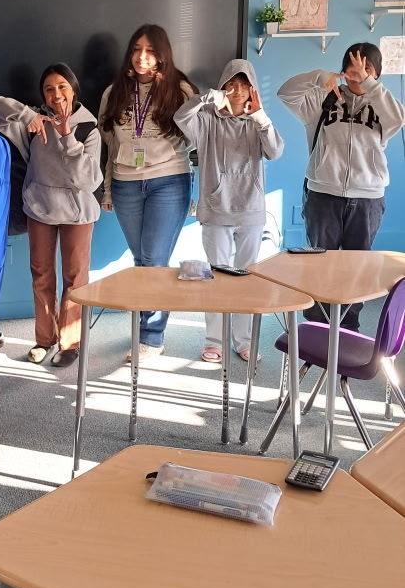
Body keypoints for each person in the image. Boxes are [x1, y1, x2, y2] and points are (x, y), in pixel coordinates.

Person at [278, 42, 405, 331]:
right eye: (351, 68)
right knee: (320, 263)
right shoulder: (324, 101)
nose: (357, 75)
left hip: (367, 198)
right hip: (323, 193)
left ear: (377, 73)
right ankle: (318, 327)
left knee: (356, 267)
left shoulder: (383, 105)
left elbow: (399, 119)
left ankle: (348, 328)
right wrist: (318, 75)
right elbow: (285, 92)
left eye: (366, 68)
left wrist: (370, 84)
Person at [0, 63, 102, 367]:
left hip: (77, 212)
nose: (56, 94)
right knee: (41, 275)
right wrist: (28, 116)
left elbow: (88, 180)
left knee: (75, 279)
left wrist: (66, 137)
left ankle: (70, 343)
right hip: (40, 207)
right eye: (49, 89)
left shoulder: (89, 126)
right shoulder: (34, 121)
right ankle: (44, 339)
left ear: (73, 89)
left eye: (62, 86)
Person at [174, 59, 284, 362]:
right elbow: (180, 117)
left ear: (252, 88)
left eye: (243, 84)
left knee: (247, 278)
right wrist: (207, 97)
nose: (236, 90)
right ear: (223, 87)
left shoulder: (259, 121)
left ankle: (244, 340)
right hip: (215, 211)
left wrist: (260, 116)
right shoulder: (207, 118)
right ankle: (214, 342)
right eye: (230, 84)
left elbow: (275, 151)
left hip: (250, 212)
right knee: (216, 278)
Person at [99, 24, 196, 361]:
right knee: (141, 261)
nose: (142, 57)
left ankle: (151, 338)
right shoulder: (114, 93)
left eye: (151, 50)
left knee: (154, 260)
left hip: (168, 181)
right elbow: (108, 146)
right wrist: (107, 190)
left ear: (162, 54)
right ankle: (146, 329)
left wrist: (171, 95)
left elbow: (198, 139)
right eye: (137, 49)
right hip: (126, 183)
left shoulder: (180, 90)